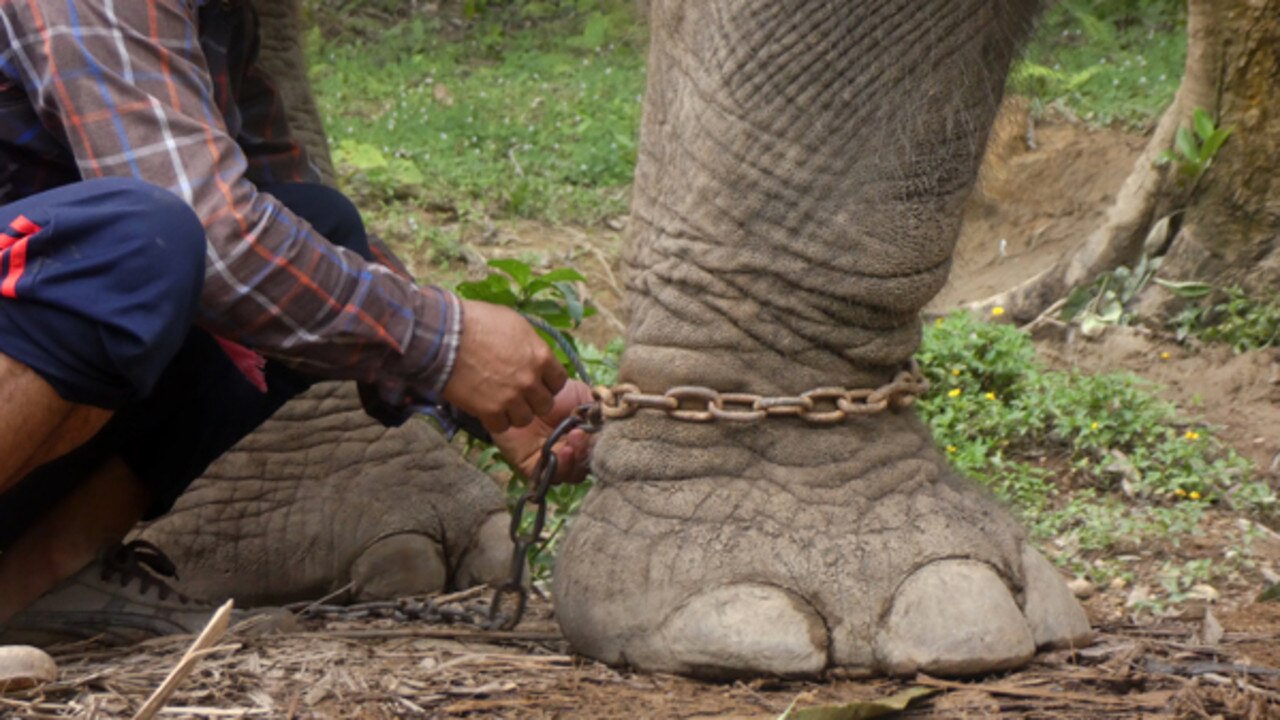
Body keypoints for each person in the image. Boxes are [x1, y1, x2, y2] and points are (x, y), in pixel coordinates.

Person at [0, 0, 592, 652]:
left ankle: (38, 579)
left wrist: (486, 390)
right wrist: (448, 346)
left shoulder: (218, 15)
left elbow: (280, 213)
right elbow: (217, 236)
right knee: (143, 244)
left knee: (314, 223)